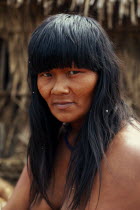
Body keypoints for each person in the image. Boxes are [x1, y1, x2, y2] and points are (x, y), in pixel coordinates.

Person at [3, 14, 140, 210]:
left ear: (102, 77)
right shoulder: (53, 142)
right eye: (47, 75)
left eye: (73, 73)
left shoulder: (131, 153)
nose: (58, 89)